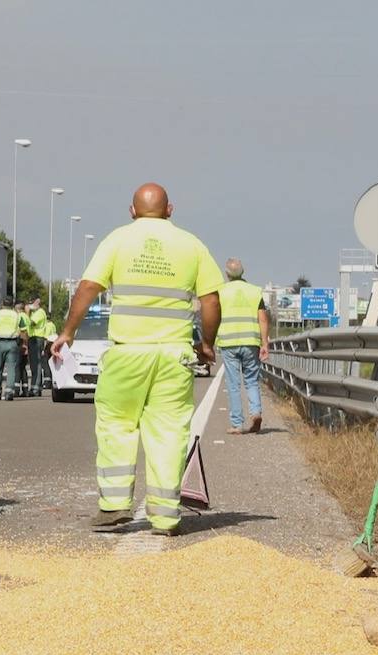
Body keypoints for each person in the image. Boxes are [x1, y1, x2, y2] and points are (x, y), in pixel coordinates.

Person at [51, 183, 222, 536]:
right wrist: (206, 343)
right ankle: (165, 517)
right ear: (170, 210)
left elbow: (87, 288)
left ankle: (114, 506)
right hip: (174, 356)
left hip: (127, 352)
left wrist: (68, 332)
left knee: (116, 424)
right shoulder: (192, 245)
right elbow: (211, 302)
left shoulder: (117, 240)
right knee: (169, 432)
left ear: (132, 211)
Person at [217, 258, 269, 434]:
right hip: (251, 342)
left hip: (229, 342)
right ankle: (256, 413)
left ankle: (237, 424)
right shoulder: (255, 291)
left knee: (233, 384)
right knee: (252, 381)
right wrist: (265, 344)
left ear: (227, 274)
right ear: (243, 271)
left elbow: (215, 316)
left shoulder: (221, 291)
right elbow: (262, 318)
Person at [0, 296, 26, 401]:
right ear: (12, 305)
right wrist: (24, 344)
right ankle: (9, 392)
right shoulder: (17, 315)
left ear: (2, 304)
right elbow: (24, 331)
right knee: (11, 368)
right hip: (12, 344)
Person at [26, 297, 49, 396]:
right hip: (34, 339)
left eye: (32, 303)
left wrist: (27, 313)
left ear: (37, 302)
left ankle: (35, 388)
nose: (30, 305)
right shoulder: (35, 313)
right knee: (34, 364)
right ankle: (36, 387)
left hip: (36, 339)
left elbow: (30, 323)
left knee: (36, 364)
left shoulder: (39, 313)